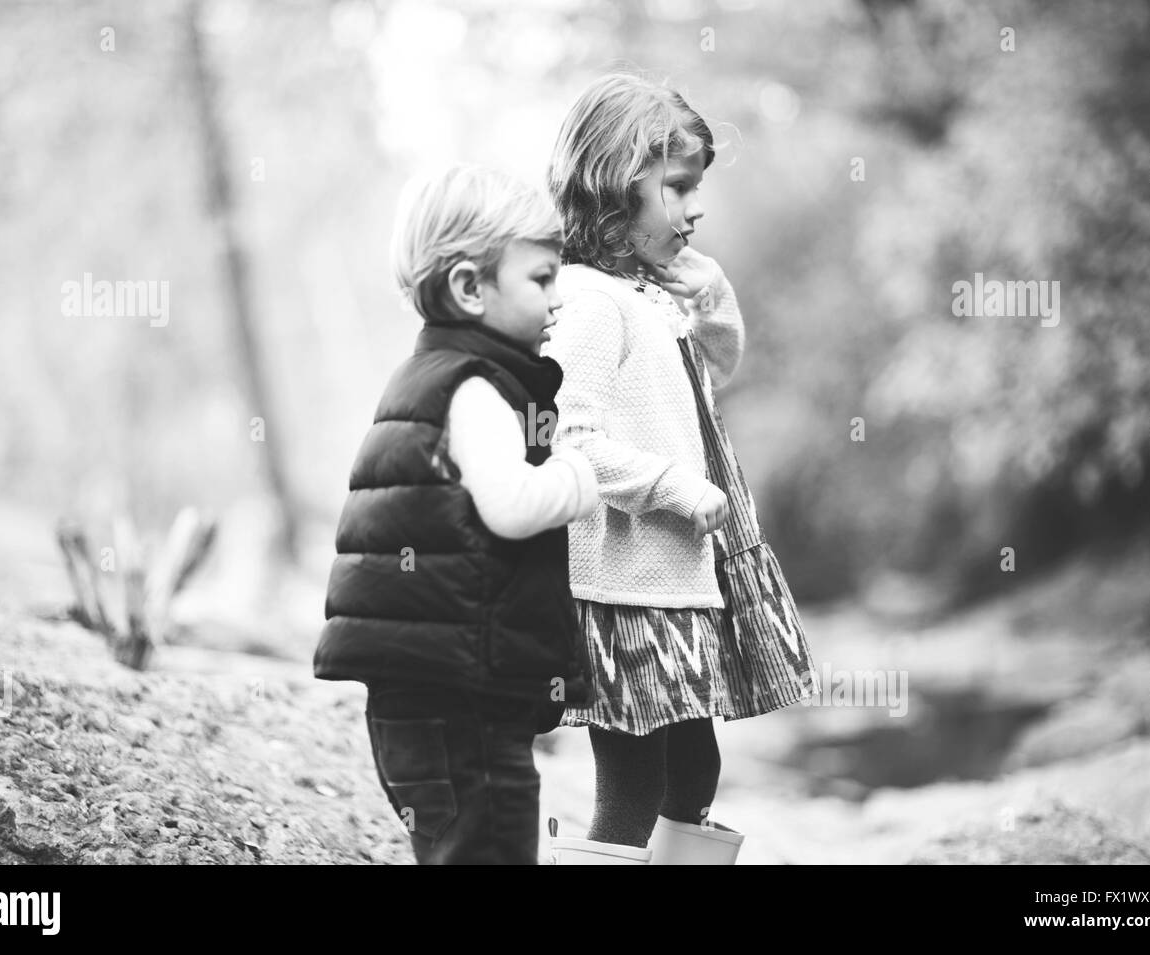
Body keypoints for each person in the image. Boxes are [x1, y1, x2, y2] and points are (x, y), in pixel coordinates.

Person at [543, 73, 820, 865]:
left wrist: (713, 296)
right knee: (633, 784)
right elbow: (569, 438)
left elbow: (712, 369)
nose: (696, 209)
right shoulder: (591, 302)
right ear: (613, 182)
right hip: (626, 589)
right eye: (678, 187)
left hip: (675, 579)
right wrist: (670, 487)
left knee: (694, 769)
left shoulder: (642, 292)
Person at [314, 164, 598, 865]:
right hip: (464, 698)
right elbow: (512, 506)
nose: (558, 297)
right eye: (542, 279)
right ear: (471, 288)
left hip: (420, 697)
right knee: (492, 844)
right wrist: (580, 473)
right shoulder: (474, 389)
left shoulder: (424, 379)